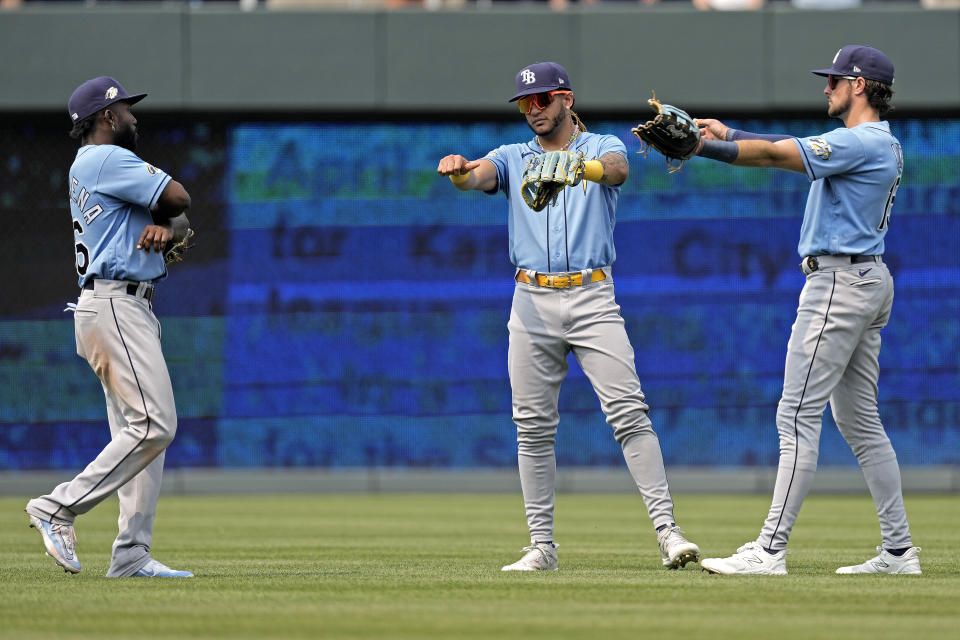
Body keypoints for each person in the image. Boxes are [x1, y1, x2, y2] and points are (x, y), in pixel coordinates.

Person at [436, 62, 701, 572]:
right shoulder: (512, 156)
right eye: (524, 103)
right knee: (532, 427)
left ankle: (669, 533)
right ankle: (541, 546)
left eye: (541, 100)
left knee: (629, 413)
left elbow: (619, 171)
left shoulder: (602, 145)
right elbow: (478, 177)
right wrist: (460, 172)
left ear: (566, 99)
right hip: (530, 299)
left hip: (591, 296)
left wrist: (583, 168)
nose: (532, 110)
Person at [692, 45, 919, 575]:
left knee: (796, 414)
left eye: (836, 79)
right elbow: (787, 148)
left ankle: (770, 550)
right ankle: (899, 550)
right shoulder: (877, 141)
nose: (827, 87)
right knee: (860, 422)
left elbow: (776, 156)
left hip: (840, 281)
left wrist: (702, 148)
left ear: (859, 85)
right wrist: (730, 135)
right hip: (868, 276)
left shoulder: (858, 140)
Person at [25, 76, 194, 578]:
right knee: (156, 424)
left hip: (115, 306)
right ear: (106, 117)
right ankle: (58, 506)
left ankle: (131, 554)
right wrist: (172, 217)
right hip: (117, 304)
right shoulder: (106, 158)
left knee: (138, 431)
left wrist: (168, 228)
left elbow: (178, 222)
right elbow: (180, 196)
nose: (132, 116)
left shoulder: (91, 167)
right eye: (124, 108)